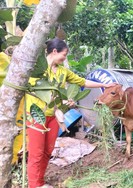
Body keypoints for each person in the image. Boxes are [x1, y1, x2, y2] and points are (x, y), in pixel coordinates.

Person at [25, 38, 115, 188]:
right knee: (36, 152)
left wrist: (104, 84)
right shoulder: (36, 70)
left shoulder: (62, 71)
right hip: (36, 115)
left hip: (54, 116)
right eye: (64, 54)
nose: (65, 58)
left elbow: (83, 82)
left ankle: (39, 182)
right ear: (54, 51)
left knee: (47, 151)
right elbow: (33, 90)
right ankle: (33, 185)